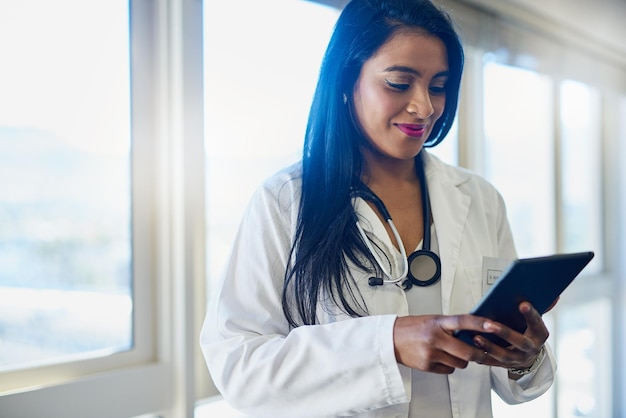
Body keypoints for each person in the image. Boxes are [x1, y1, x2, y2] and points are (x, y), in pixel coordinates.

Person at [200, 0, 556, 416]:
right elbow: (240, 367)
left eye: (438, 86)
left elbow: (513, 381)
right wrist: (387, 342)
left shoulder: (479, 198)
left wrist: (523, 356)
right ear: (347, 83)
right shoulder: (285, 201)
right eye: (399, 83)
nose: (424, 107)